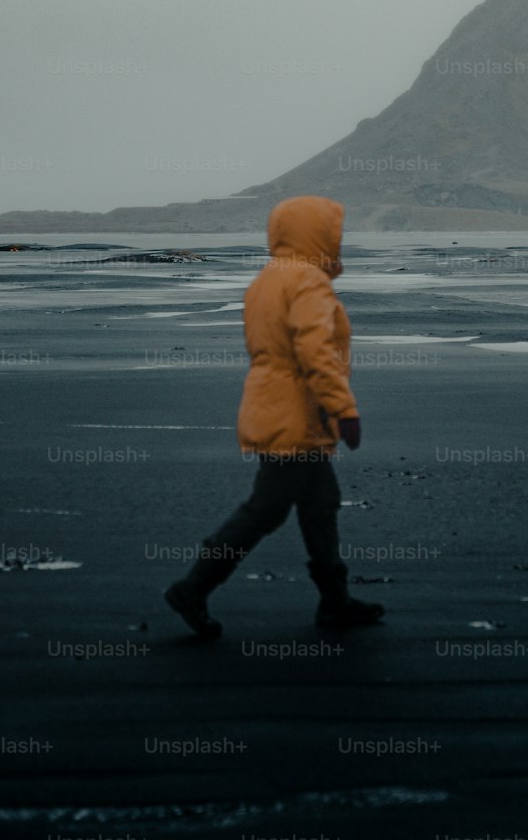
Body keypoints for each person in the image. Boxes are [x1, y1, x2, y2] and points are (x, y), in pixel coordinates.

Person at [164, 194, 384, 638]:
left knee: (320, 506)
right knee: (265, 509)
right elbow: (315, 351)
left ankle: (335, 600)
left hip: (273, 404)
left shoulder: (268, 278)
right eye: (333, 231)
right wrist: (344, 409)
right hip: (296, 414)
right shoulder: (307, 281)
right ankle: (194, 587)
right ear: (316, 233)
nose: (337, 239)